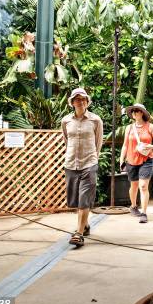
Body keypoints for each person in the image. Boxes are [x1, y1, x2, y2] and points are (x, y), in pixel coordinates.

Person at [61, 88, 103, 247]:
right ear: (72, 102)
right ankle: (84, 225)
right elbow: (67, 140)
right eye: (77, 99)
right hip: (71, 163)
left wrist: (94, 159)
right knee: (75, 201)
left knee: (84, 199)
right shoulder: (66, 121)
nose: (81, 101)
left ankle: (78, 234)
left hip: (89, 163)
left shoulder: (95, 120)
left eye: (83, 98)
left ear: (87, 101)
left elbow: (98, 142)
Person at [120, 103, 153, 223]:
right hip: (131, 160)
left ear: (142, 113)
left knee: (143, 186)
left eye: (136, 110)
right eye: (132, 111)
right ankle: (133, 206)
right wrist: (121, 160)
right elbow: (125, 145)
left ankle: (144, 213)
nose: (134, 112)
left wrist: (151, 146)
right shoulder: (129, 128)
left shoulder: (150, 127)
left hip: (147, 159)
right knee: (133, 186)